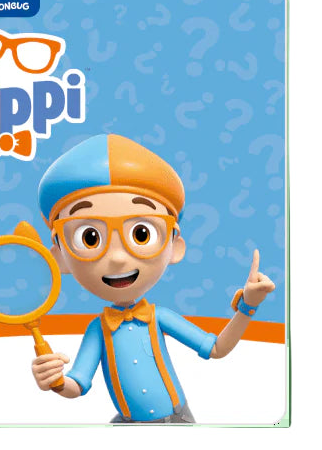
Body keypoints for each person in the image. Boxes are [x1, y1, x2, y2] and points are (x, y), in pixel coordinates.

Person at [31, 133, 274, 422]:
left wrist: (248, 306)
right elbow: (78, 384)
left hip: (177, 421)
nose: (117, 257)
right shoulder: (98, 330)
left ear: (175, 246)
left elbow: (217, 348)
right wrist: (55, 381)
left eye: (141, 234)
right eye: (90, 237)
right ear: (60, 257)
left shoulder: (161, 317)